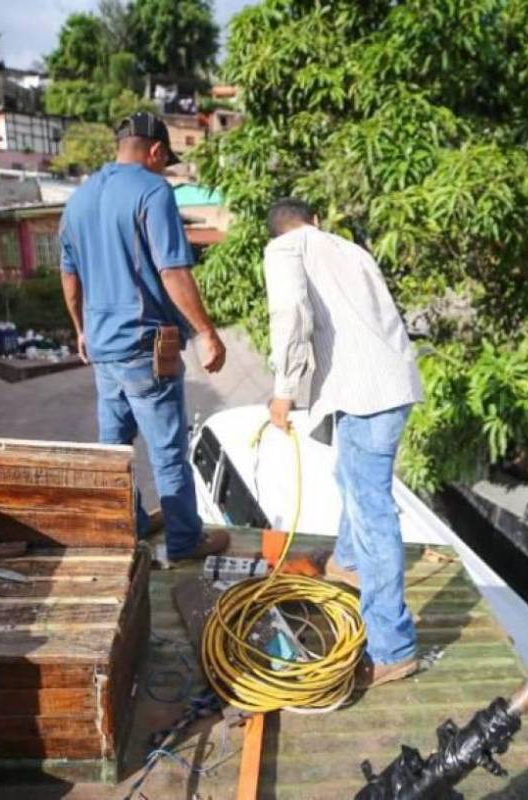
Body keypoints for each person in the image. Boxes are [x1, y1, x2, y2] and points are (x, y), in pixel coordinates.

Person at [262, 197, 424, 689]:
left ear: (279, 231)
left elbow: (289, 315)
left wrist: (284, 390)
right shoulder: (350, 249)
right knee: (350, 479)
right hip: (389, 386)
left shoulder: (285, 250)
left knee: (372, 511)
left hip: (366, 395)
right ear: (316, 221)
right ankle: (347, 563)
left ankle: (392, 649)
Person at [59, 111, 228, 562]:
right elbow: (172, 270)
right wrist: (207, 333)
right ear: (155, 151)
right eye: (165, 160)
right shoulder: (153, 191)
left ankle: (128, 527)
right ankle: (185, 542)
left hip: (103, 347)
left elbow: (69, 278)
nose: (164, 169)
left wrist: (80, 330)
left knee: (114, 450)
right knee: (167, 451)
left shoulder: (78, 200)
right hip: (144, 346)